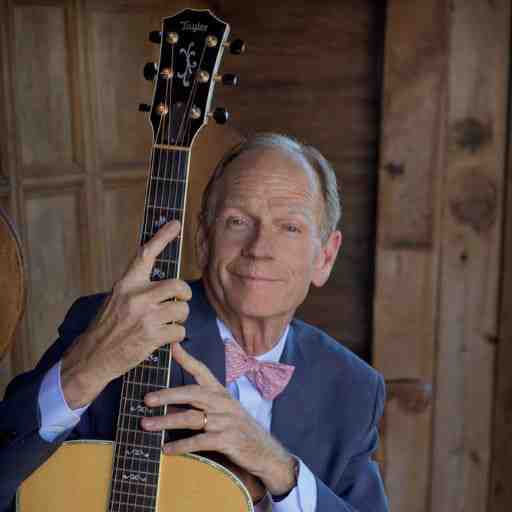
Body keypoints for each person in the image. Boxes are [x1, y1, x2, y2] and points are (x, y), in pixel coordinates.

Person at [0, 133, 388, 511]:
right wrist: (82, 373)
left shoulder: (352, 388)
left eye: (289, 227)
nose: (259, 249)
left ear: (326, 256)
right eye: (237, 221)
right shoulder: (114, 327)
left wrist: (278, 469)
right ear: (203, 239)